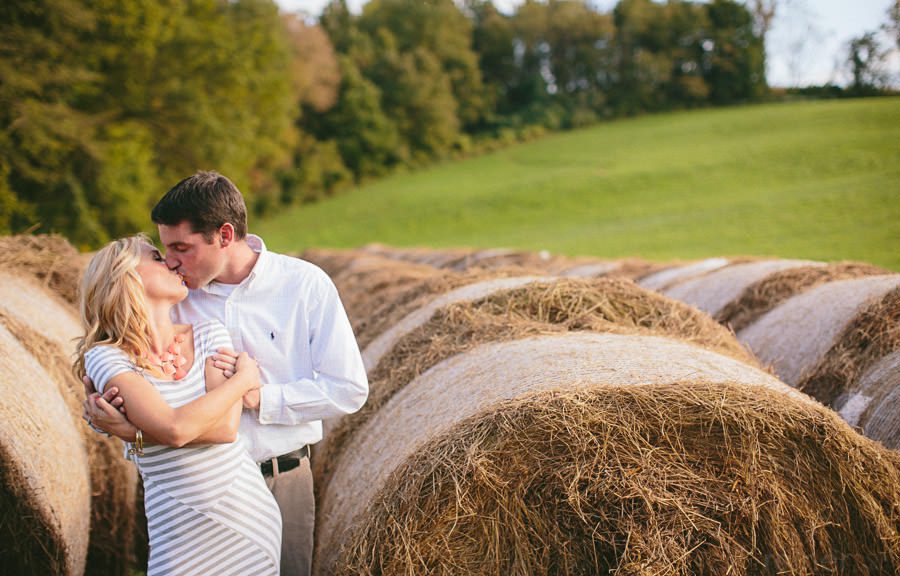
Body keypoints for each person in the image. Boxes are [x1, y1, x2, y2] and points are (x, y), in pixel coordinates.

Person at [84, 171, 369, 575]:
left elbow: (348, 389)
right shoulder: (174, 299)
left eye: (181, 247)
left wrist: (257, 396)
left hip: (279, 479)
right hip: (189, 491)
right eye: (165, 249)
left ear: (224, 234)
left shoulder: (304, 285)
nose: (170, 261)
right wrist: (102, 411)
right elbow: (125, 370)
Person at [75, 235, 282, 575]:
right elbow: (174, 429)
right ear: (126, 275)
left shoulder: (208, 333)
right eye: (157, 257)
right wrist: (243, 381)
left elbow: (225, 430)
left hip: (247, 519)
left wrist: (134, 433)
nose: (171, 262)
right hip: (178, 530)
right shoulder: (105, 356)